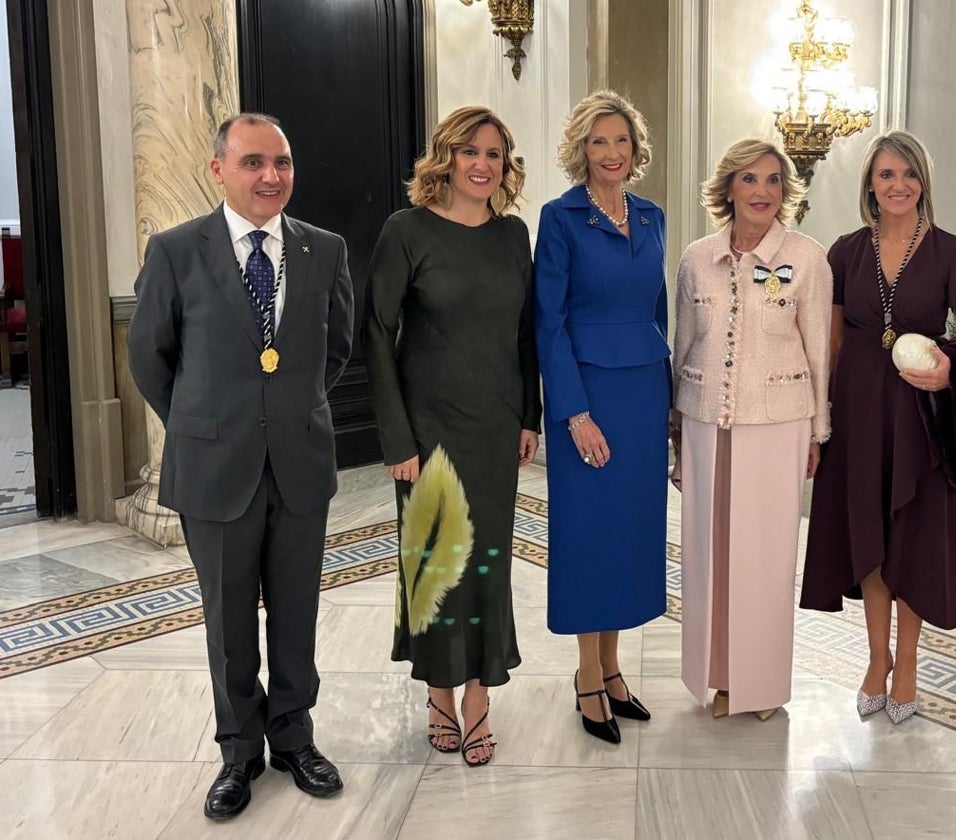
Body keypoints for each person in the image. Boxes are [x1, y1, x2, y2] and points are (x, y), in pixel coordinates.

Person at [127, 112, 354, 819]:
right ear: (219, 169)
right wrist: (206, 425)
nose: (270, 176)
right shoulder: (175, 251)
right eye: (253, 162)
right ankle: (238, 753)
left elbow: (336, 348)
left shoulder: (324, 250)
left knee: (296, 614)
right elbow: (149, 358)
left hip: (299, 464)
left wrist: (290, 411)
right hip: (213, 468)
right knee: (227, 622)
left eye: (281, 163)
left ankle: (294, 738)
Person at [362, 106, 541, 767]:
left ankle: (479, 695)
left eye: (494, 154)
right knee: (438, 561)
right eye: (469, 151)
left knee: (488, 562)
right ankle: (439, 689)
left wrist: (530, 417)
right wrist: (396, 438)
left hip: (495, 427)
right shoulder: (405, 231)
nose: (481, 164)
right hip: (427, 429)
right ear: (446, 158)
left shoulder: (513, 235)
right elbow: (377, 334)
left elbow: (526, 334)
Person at [798, 131, 956, 725]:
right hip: (856, 414)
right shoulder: (845, 250)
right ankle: (876, 660)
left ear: (923, 181)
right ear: (869, 185)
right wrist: (818, 425)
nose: (898, 185)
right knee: (868, 538)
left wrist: (950, 364)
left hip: (921, 417)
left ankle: (908, 668)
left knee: (914, 540)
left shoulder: (954, 251)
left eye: (908, 173)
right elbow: (828, 344)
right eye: (885, 175)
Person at [671, 139, 831, 721]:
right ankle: (719, 678)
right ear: (728, 189)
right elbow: (682, 343)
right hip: (704, 418)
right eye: (749, 179)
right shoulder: (696, 258)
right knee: (710, 552)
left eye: (772, 180)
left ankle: (760, 685)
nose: (762, 191)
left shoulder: (808, 258)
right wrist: (675, 428)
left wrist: (819, 431)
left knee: (764, 555)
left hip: (779, 422)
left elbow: (819, 352)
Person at [534, 90, 669, 744]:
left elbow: (659, 311)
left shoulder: (652, 217)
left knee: (630, 535)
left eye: (620, 141)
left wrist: (669, 407)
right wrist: (573, 413)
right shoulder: (560, 219)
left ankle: (615, 670)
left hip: (644, 392)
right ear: (581, 151)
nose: (611, 153)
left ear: (634, 148)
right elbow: (548, 323)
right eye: (598, 142)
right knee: (590, 535)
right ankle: (587, 676)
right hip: (588, 396)